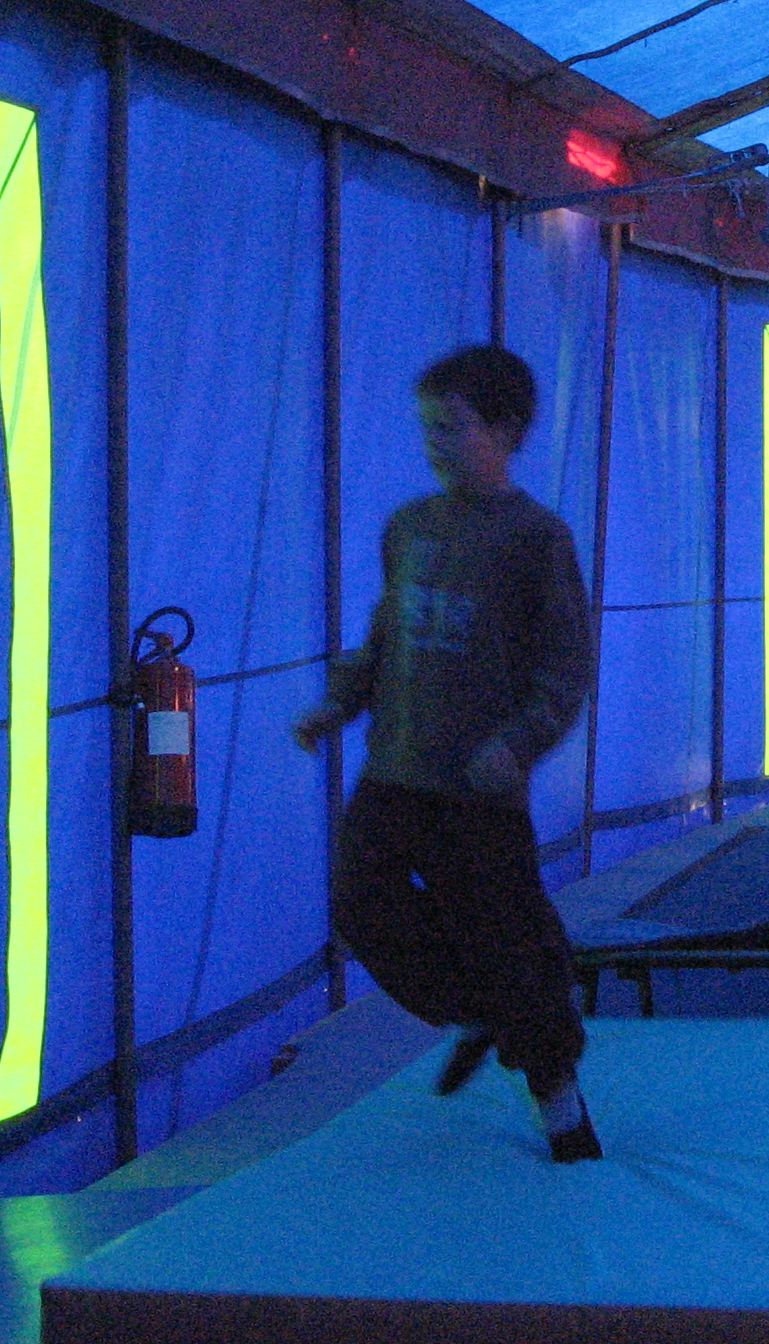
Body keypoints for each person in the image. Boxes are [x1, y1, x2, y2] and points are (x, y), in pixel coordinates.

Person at [292, 345, 600, 1161]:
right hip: (397, 770)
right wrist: (340, 702)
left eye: (452, 427)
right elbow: (385, 635)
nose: (435, 444)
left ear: (507, 431)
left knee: (508, 942)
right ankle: (476, 1009)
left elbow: (566, 666)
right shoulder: (410, 528)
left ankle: (561, 1103)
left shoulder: (536, 539)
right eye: (428, 427)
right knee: (362, 904)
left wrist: (518, 743)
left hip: (478, 789)